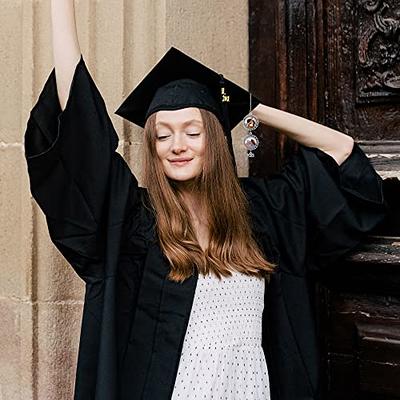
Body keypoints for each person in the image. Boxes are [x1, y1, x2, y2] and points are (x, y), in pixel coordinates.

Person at [23, 1, 387, 399]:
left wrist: (249, 106)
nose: (176, 146)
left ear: (215, 138)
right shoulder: (136, 223)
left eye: (192, 131)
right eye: (162, 135)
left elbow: (340, 150)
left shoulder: (262, 212)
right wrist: (61, 8)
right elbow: (81, 132)